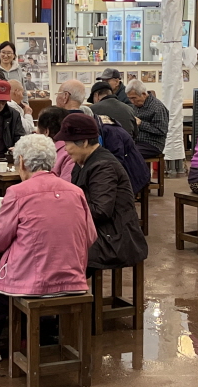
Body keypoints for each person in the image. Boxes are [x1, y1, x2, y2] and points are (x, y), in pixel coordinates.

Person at [0, 135, 97, 363]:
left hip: (33, 283)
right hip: (73, 278)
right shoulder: (75, 192)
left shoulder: (18, 192)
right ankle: (27, 338)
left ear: (21, 161)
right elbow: (90, 236)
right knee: (31, 272)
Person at [57, 114, 149, 272]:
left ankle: (68, 286)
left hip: (113, 239)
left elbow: (100, 211)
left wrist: (65, 208)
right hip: (97, 231)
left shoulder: (103, 166)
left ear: (84, 142)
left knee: (54, 253)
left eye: (67, 143)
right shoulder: (82, 162)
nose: (65, 149)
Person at [125, 80, 169, 159]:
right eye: (129, 98)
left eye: (134, 98)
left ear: (144, 94)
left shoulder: (157, 107)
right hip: (135, 141)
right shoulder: (136, 105)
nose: (132, 101)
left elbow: (161, 130)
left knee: (129, 154)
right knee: (116, 150)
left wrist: (141, 123)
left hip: (152, 144)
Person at [37, 106, 73, 182]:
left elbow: (66, 186)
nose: (35, 132)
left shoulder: (69, 155)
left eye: (37, 127)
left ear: (46, 131)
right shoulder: (68, 152)